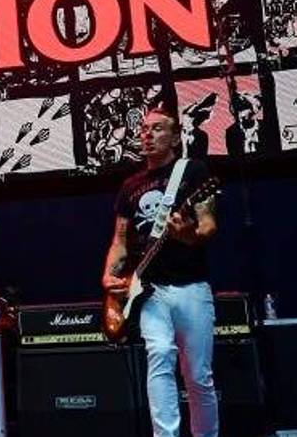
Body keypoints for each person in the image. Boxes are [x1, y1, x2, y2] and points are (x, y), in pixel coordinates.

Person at [101, 105, 219, 437]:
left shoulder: (193, 172)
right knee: (160, 355)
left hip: (191, 286)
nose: (147, 135)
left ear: (176, 136)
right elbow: (120, 241)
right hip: (149, 289)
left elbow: (208, 226)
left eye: (157, 129)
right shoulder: (130, 186)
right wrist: (109, 277)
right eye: (143, 129)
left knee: (198, 375)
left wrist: (186, 234)